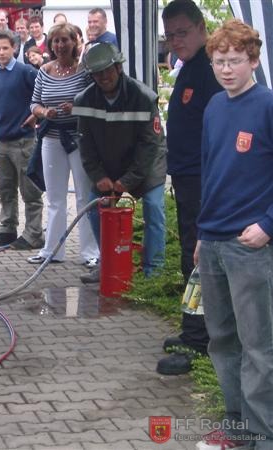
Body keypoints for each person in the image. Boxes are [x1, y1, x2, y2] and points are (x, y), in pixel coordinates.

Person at [196, 19, 273, 449]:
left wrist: (267, 225)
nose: (227, 70)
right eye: (220, 62)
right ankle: (237, 427)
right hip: (214, 243)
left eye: (236, 61)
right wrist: (202, 234)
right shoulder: (214, 108)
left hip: (250, 246)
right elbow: (211, 173)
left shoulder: (267, 106)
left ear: (254, 60)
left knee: (258, 346)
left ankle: (264, 435)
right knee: (222, 341)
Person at [156, 0, 222, 376]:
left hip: (205, 181)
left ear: (200, 27)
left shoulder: (210, 70)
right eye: (170, 36)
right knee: (190, 255)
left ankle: (200, 342)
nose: (175, 41)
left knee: (198, 260)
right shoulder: (188, 66)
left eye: (182, 32)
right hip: (187, 177)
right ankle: (196, 331)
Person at [75, 43, 166, 283]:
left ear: (118, 67)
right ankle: (109, 262)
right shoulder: (84, 100)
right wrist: (98, 177)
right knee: (94, 207)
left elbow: (149, 146)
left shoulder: (144, 97)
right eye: (97, 73)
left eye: (108, 70)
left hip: (147, 165)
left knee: (154, 208)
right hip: (109, 165)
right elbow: (86, 147)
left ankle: (153, 270)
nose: (103, 77)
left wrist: (127, 181)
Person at [27, 23, 100, 266]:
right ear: (50, 45)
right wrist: (43, 111)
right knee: (55, 198)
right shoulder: (44, 71)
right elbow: (33, 103)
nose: (60, 45)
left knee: (83, 196)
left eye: (65, 40)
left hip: (79, 139)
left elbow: (97, 104)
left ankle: (90, 253)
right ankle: (52, 251)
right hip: (51, 139)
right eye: (56, 41)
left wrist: (76, 108)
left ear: (74, 43)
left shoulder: (85, 71)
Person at [0, 31, 44, 250]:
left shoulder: (25, 72)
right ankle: (8, 228)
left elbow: (43, 94)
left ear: (14, 49)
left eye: (5, 48)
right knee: (6, 189)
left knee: (30, 191)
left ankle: (34, 233)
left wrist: (35, 115)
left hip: (24, 142)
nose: (1, 53)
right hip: (3, 143)